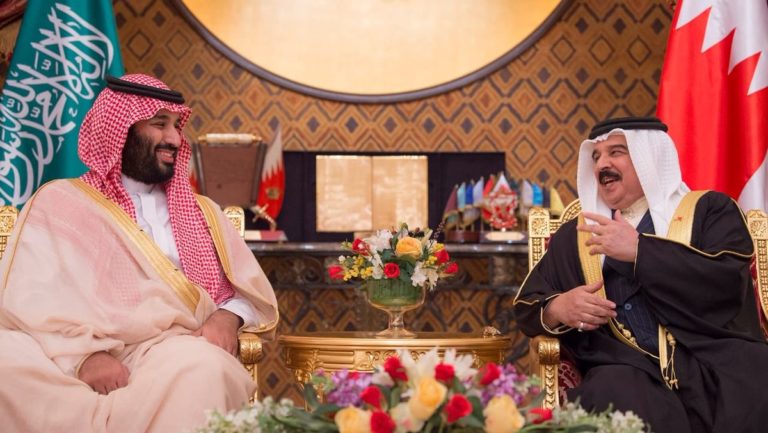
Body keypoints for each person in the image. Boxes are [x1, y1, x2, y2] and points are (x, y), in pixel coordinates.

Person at [0, 74, 279, 433]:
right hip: (65, 350)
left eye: (177, 126)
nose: (174, 139)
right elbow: (30, 299)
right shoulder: (60, 202)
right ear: (119, 130)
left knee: (203, 368)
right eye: (159, 124)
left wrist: (228, 318)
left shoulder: (203, 213)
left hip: (167, 348)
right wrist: (85, 357)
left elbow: (247, 293)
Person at [513, 117, 768, 433]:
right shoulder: (576, 236)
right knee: (611, 391)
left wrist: (640, 251)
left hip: (711, 356)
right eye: (596, 156)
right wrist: (558, 308)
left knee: (758, 373)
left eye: (616, 152)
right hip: (626, 367)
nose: (602, 165)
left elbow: (728, 281)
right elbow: (527, 305)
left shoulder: (710, 211)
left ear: (650, 158)